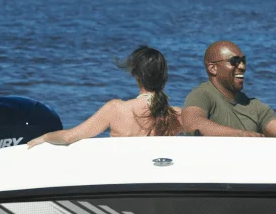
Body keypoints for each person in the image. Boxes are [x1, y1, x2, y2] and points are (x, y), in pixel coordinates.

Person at [28, 45, 181, 147]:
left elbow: (69, 137)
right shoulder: (175, 115)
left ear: (136, 76)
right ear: (164, 77)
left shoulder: (116, 109)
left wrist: (46, 137)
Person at [179, 40, 276, 138]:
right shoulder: (202, 94)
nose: (242, 67)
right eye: (234, 61)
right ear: (213, 68)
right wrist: (241, 135)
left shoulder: (255, 107)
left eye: (243, 61)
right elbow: (192, 124)